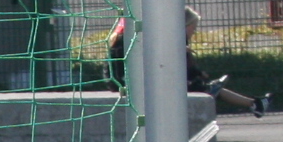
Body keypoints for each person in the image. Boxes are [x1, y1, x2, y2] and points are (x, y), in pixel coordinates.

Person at [105, 8, 267, 117]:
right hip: (124, 83)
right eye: (193, 28)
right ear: (184, 25)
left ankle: (254, 103)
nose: (194, 32)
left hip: (123, 81)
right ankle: (253, 103)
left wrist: (195, 72)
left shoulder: (140, 37)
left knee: (202, 86)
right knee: (201, 88)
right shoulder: (131, 40)